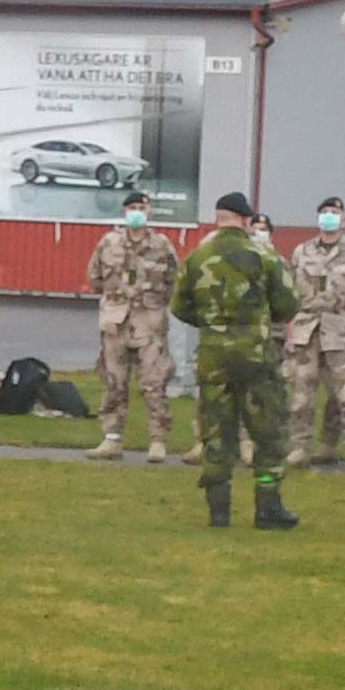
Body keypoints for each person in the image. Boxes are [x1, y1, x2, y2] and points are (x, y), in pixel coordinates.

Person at [170, 192, 299, 528]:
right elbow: (287, 304)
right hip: (256, 355)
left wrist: (212, 324)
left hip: (213, 356)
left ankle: (219, 509)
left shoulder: (198, 256)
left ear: (218, 218)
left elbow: (179, 306)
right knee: (267, 429)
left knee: (216, 431)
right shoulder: (264, 255)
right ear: (245, 219)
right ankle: (268, 506)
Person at [84, 203, 184, 461]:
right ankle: (112, 439)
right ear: (124, 211)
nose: (136, 212)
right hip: (116, 321)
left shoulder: (161, 245)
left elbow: (174, 279)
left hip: (150, 322)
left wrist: (156, 302)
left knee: (154, 382)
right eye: (132, 207)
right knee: (114, 381)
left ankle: (158, 441)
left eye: (141, 207)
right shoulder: (109, 242)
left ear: (150, 212)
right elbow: (94, 277)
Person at [282, 197, 345, 467]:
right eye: (324, 212)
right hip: (307, 329)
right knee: (301, 394)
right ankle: (300, 445)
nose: (329, 216)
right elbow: (291, 289)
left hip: (342, 330)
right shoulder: (302, 252)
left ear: (344, 219)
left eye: (335, 212)